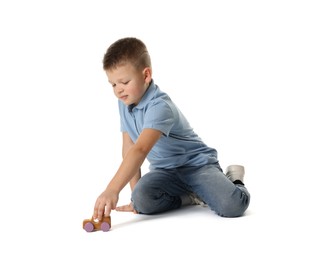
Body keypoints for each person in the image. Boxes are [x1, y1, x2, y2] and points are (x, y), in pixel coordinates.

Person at [93, 37, 250, 221]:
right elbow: (129, 147)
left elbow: (140, 149)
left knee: (232, 206)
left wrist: (112, 189)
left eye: (124, 82)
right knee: (142, 200)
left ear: (146, 75)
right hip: (165, 172)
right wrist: (136, 196)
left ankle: (233, 180)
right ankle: (189, 197)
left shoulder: (159, 106)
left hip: (196, 166)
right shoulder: (125, 103)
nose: (118, 90)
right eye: (113, 84)